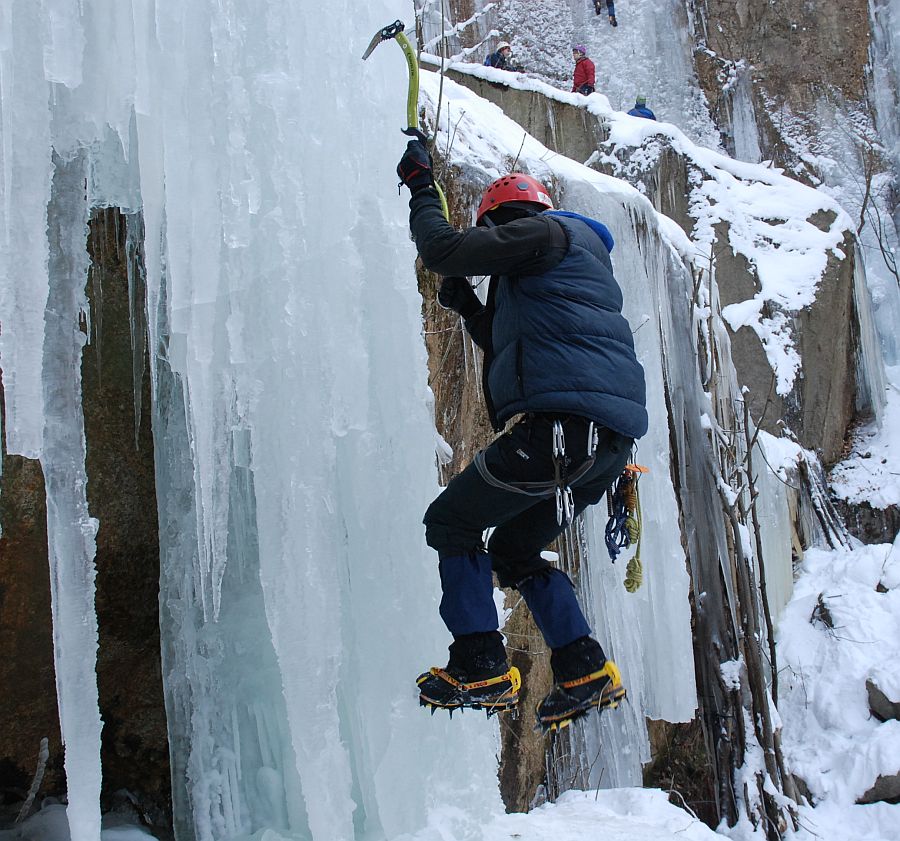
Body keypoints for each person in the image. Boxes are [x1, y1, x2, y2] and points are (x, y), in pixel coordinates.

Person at [395, 144, 648, 732]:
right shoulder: (567, 263)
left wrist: (421, 186)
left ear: (502, 221)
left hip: (560, 435)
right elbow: (530, 348)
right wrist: (470, 307)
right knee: (512, 550)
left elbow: (442, 249)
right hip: (602, 452)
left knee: (452, 523)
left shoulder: (545, 235)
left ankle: (481, 660)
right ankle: (584, 670)